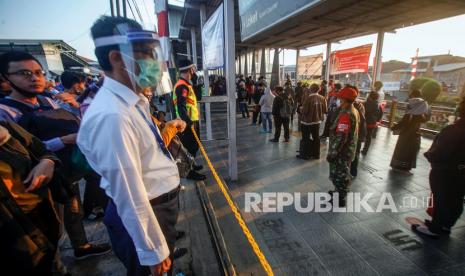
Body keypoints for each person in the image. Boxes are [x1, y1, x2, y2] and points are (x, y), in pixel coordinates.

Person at [77, 16, 187, 276]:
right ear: (117, 59)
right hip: (147, 212)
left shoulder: (134, 101)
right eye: (147, 54)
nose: (155, 63)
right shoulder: (112, 115)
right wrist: (153, 250)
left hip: (160, 209)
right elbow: (129, 192)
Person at [0, 50, 111, 259]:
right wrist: (63, 141)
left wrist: (75, 108)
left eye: (38, 72)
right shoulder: (5, 112)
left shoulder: (49, 101)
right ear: (5, 78)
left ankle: (81, 246)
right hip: (30, 182)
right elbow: (17, 150)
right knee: (45, 227)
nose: (34, 78)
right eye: (24, 73)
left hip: (66, 169)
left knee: (73, 209)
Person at [0, 120, 61, 275]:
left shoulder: (6, 128)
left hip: (39, 213)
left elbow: (42, 149)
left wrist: (47, 162)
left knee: (53, 261)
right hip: (11, 231)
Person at [411, 99, 465, 237]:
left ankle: (435, 228)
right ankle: (446, 225)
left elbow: (440, 153)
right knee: (456, 198)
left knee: (442, 199)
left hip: (446, 171)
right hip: (461, 172)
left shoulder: (454, 130)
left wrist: (429, 155)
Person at [326, 86, 360, 207]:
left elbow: (341, 136)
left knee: (340, 174)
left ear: (344, 99)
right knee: (340, 172)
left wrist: (333, 152)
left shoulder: (346, 113)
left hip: (342, 151)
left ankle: (340, 198)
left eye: (340, 98)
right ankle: (337, 191)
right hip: (349, 149)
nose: (339, 99)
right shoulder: (354, 110)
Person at [172, 59, 205, 181]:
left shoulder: (187, 84)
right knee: (190, 147)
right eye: (193, 69)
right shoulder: (182, 86)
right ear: (190, 69)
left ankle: (191, 165)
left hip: (191, 121)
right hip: (187, 123)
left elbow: (198, 97)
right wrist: (189, 122)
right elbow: (181, 108)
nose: (195, 71)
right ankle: (189, 172)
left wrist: (196, 82)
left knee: (194, 145)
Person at [390, 89, 429, 174]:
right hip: (414, 133)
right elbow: (425, 119)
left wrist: (393, 127)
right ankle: (404, 169)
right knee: (410, 151)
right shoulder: (423, 106)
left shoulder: (411, 105)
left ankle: (397, 166)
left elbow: (404, 121)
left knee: (401, 149)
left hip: (405, 133)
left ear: (412, 95)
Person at [297, 83, 327, 160]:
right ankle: (316, 154)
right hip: (317, 122)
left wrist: (300, 108)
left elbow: (304, 111)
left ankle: (305, 155)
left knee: (306, 138)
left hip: (306, 122)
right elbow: (325, 110)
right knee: (316, 138)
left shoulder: (308, 98)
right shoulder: (322, 98)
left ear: (311, 89)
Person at [350, 97, 366, 177]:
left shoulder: (353, 112)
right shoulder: (361, 109)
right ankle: (353, 172)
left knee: (353, 153)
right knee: (356, 153)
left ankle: (351, 171)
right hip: (358, 136)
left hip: (354, 136)